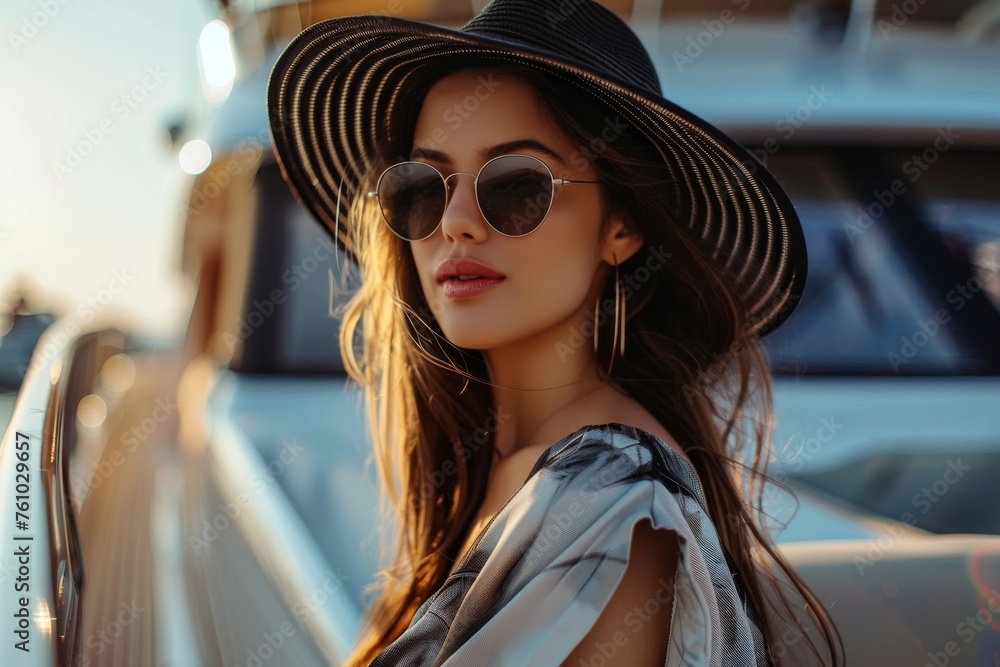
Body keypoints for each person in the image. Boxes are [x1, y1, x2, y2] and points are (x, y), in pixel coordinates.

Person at [266, 0, 843, 665]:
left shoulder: (618, 511)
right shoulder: (507, 469)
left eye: (515, 184)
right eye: (424, 187)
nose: (455, 221)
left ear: (621, 226)